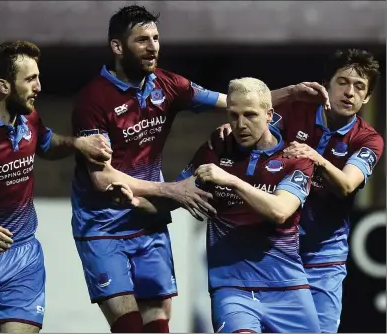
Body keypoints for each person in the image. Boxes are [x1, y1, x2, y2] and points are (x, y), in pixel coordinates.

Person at [71, 5, 331, 333]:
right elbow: (101, 178)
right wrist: (172, 190)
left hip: (149, 217)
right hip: (104, 223)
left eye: (156, 38)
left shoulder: (169, 85)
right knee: (129, 325)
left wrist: (290, 93)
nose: (153, 47)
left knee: (156, 318)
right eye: (142, 40)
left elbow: (235, 102)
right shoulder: (92, 101)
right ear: (117, 47)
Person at [108, 77, 321, 333]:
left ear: (269, 114)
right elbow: (172, 199)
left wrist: (231, 181)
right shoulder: (215, 150)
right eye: (234, 115)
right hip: (232, 290)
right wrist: (134, 201)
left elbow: (280, 211)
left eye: (250, 115)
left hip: (288, 289)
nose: (241, 125)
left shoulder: (295, 159)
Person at [0, 40, 112, 333]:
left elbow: (46, 143)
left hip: (22, 253)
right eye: (30, 79)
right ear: (4, 86)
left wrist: (77, 143)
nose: (39, 86)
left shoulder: (29, 118)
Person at [211, 48, 384, 333]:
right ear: (327, 85)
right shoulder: (294, 113)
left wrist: (315, 158)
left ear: (366, 98)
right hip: (275, 257)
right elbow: (254, 116)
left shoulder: (368, 139)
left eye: (359, 87)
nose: (349, 92)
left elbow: (347, 185)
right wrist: (237, 125)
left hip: (323, 260)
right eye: (342, 82)